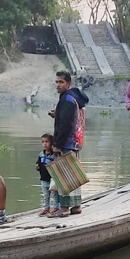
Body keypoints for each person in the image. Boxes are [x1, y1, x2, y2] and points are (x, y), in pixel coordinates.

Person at [50, 70, 89, 217]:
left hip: (66, 143)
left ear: (68, 83)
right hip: (75, 142)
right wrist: (57, 113)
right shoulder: (72, 98)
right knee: (72, 174)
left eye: (61, 82)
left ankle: (64, 208)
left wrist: (57, 145)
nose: (58, 85)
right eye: (57, 82)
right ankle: (76, 206)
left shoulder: (66, 99)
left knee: (63, 175)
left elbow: (65, 125)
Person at [36, 133, 59, 216]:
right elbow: (38, 163)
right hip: (43, 178)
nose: (45, 144)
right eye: (43, 142)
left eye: (47, 142)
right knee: (45, 195)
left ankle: (56, 207)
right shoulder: (41, 154)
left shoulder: (54, 155)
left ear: (51, 143)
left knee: (54, 193)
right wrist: (37, 166)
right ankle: (46, 208)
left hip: (52, 178)